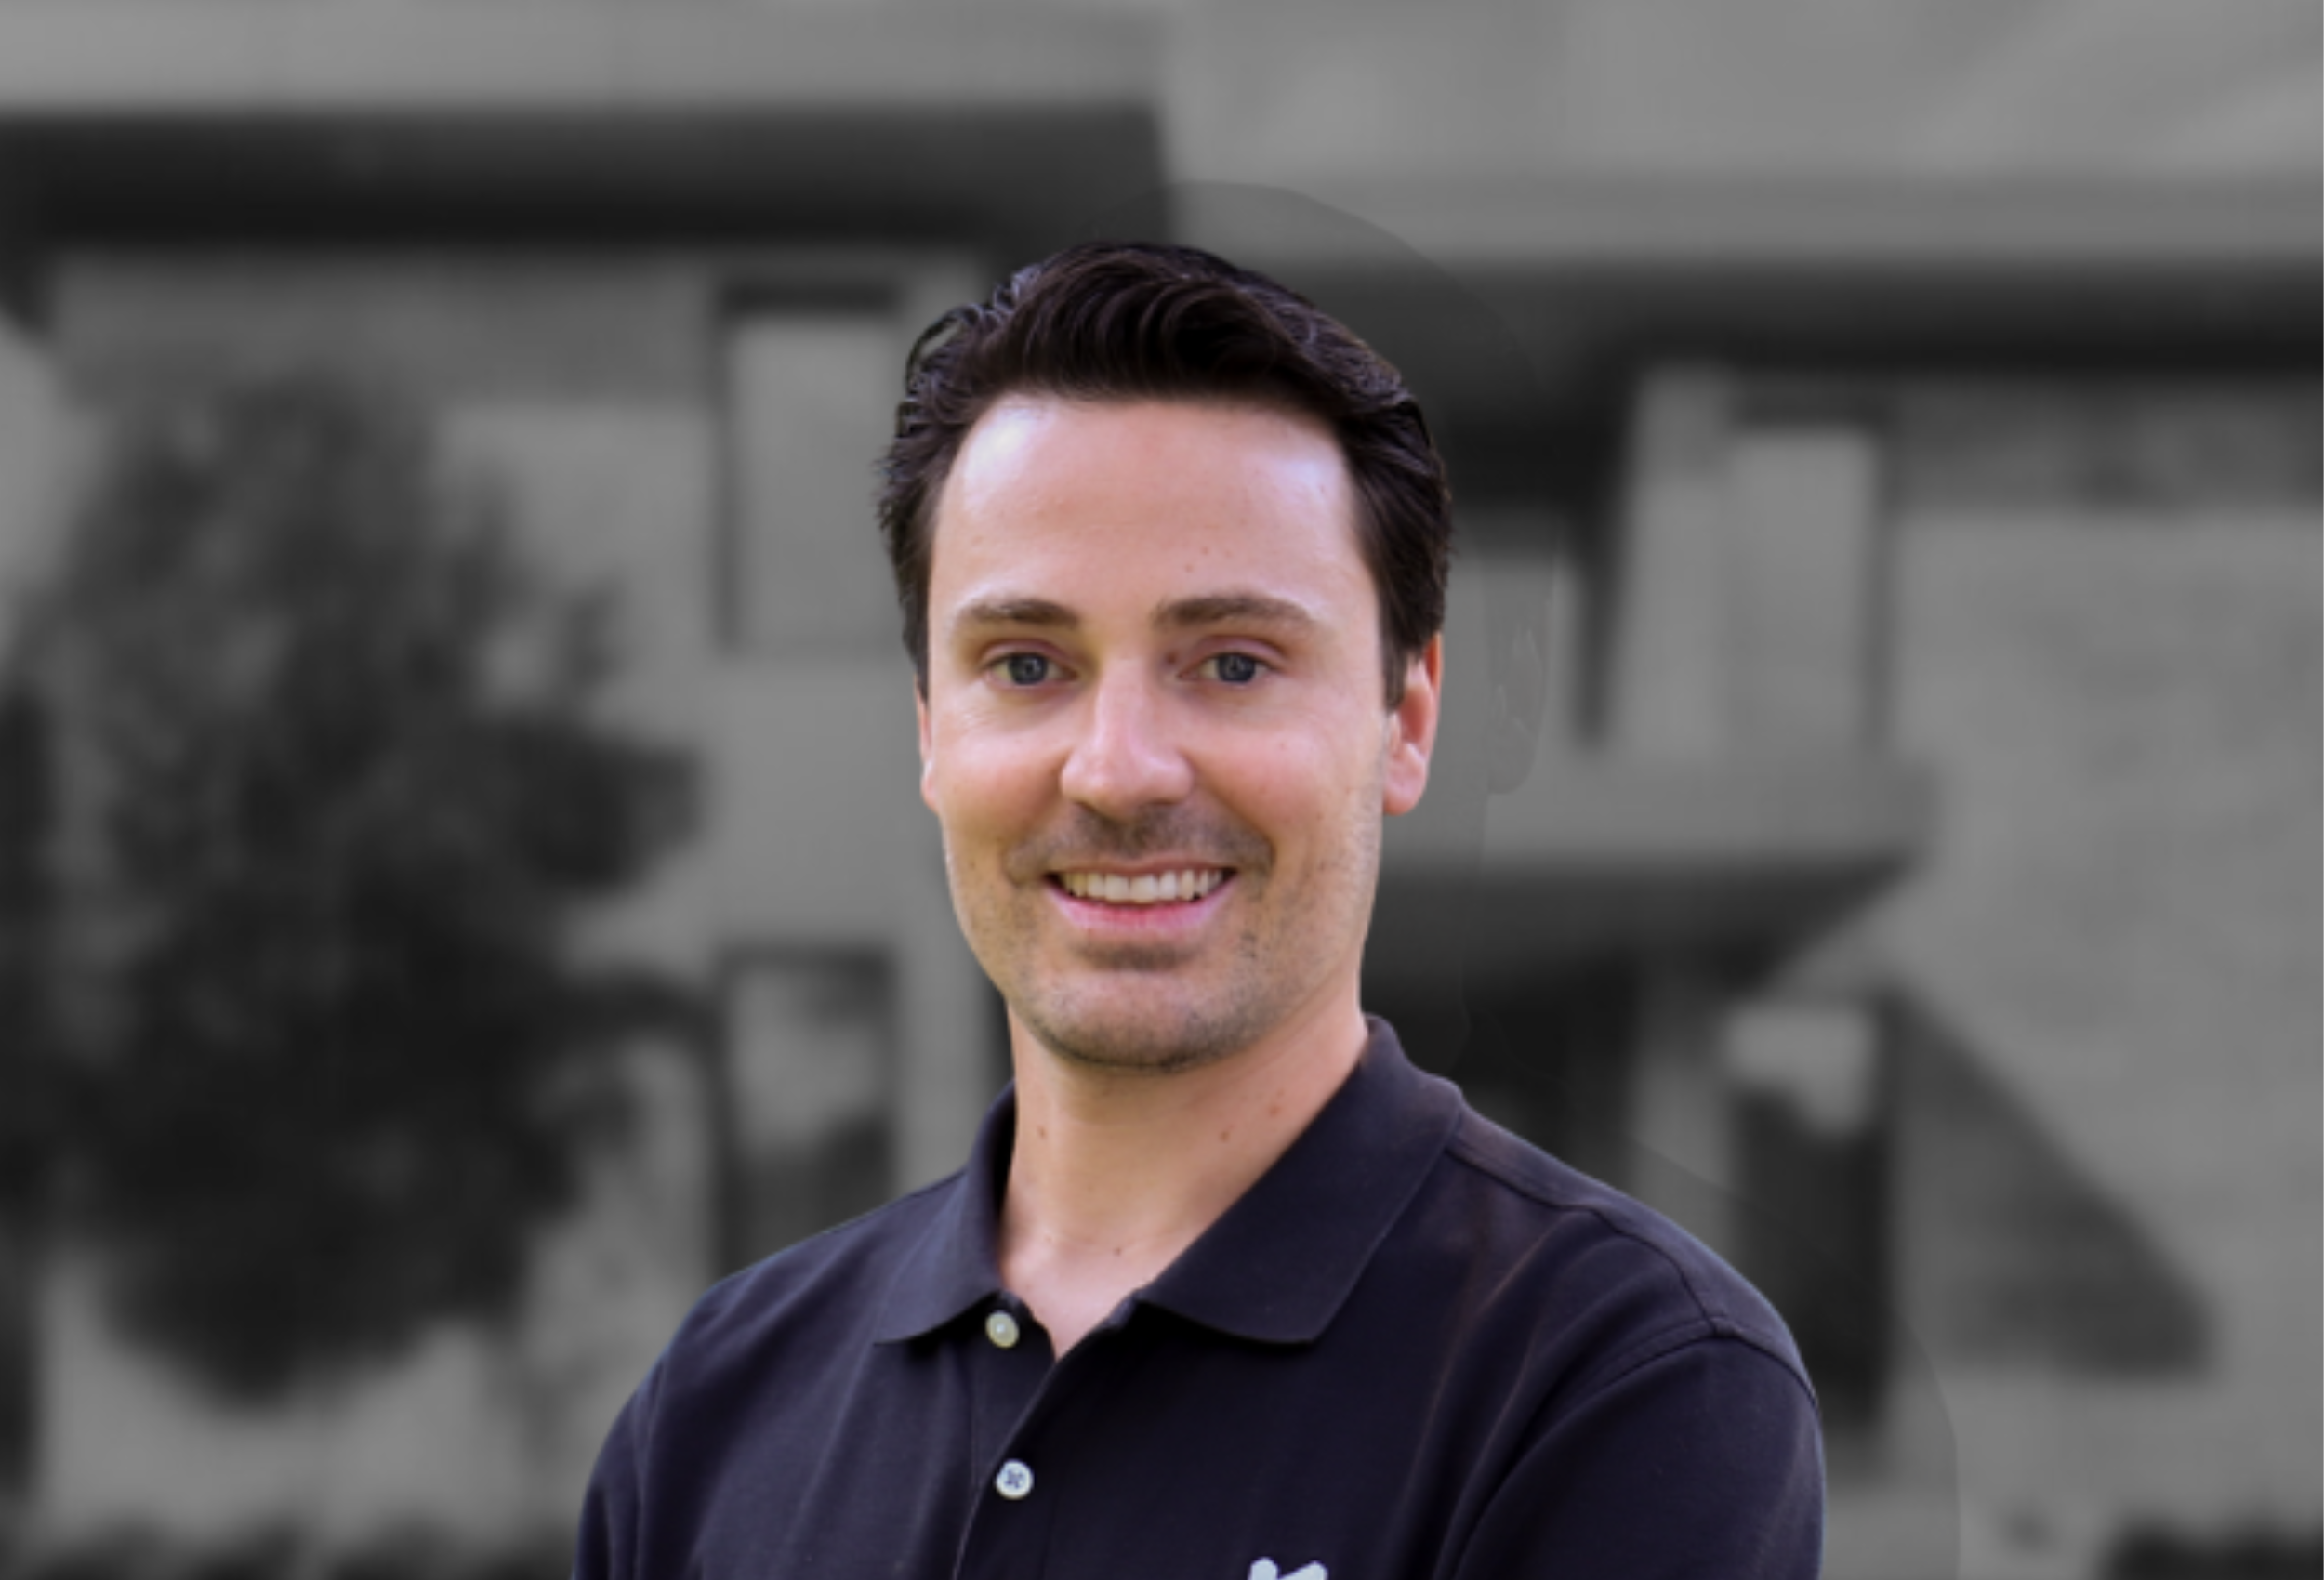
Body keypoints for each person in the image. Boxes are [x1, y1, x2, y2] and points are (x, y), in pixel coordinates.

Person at [573, 241, 1824, 1579]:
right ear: (932, 732)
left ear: (1406, 721)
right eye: (1027, 664)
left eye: (1232, 662)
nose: (1117, 770)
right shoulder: (713, 1409)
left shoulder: (1627, 1382)